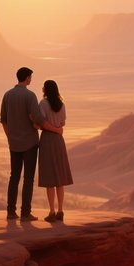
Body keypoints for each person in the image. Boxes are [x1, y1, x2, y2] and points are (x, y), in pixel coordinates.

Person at [0, 66, 62, 221]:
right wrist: (56, 129)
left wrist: (10, 137)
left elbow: (3, 120)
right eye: (30, 77)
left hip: (14, 143)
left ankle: (10, 212)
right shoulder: (30, 96)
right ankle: (25, 213)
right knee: (28, 178)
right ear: (27, 78)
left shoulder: (7, 95)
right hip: (30, 143)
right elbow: (39, 120)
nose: (31, 79)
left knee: (14, 177)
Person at [37, 79, 73, 222]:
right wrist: (57, 128)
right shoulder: (62, 104)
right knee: (59, 178)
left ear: (46, 89)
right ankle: (60, 210)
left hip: (47, 139)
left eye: (43, 87)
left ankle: (52, 211)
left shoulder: (42, 103)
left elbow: (41, 122)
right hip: (59, 140)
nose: (42, 88)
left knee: (49, 178)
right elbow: (63, 122)